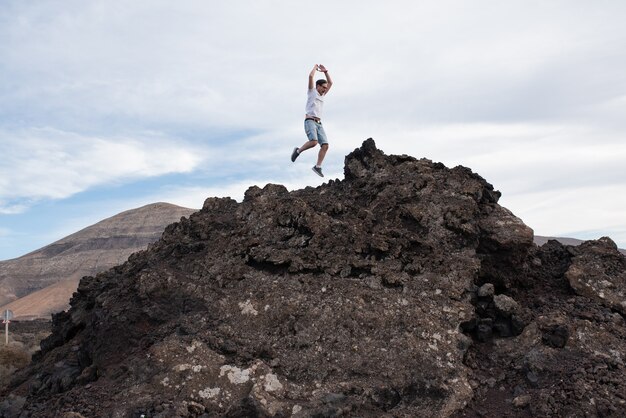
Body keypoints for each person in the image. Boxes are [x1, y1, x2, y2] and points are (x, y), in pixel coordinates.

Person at [291, 64, 333, 177]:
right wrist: (315, 68)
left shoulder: (322, 95)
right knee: (314, 142)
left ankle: (317, 167)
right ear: (318, 86)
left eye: (325, 88)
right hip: (310, 120)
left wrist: (325, 71)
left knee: (325, 145)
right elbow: (310, 77)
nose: (325, 89)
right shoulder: (312, 92)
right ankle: (298, 151)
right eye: (323, 87)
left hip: (319, 123)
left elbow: (331, 83)